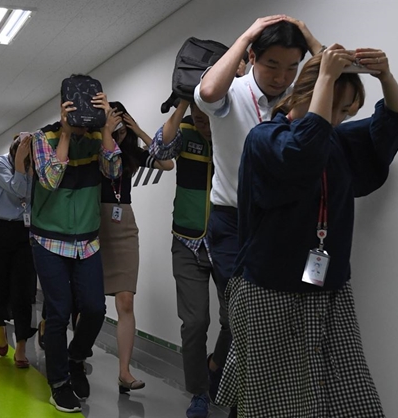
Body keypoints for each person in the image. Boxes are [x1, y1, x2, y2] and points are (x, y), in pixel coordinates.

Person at [216, 45, 398, 418]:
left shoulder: (335, 139)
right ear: (308, 92)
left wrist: (385, 77)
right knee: (267, 401)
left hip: (328, 291)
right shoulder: (265, 140)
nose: (340, 119)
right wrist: (324, 76)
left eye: (347, 111)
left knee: (344, 396)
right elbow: (301, 154)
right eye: (338, 108)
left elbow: (391, 125)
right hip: (268, 292)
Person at [193, 16, 322, 405]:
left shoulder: (299, 97)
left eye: (291, 67)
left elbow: (338, 76)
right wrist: (248, 33)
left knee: (271, 315)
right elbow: (207, 91)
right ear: (252, 57)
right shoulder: (231, 94)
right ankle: (220, 379)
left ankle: (234, 386)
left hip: (282, 223)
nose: (282, 77)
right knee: (242, 312)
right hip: (232, 221)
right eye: (272, 65)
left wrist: (309, 38)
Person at [30, 78, 121, 413]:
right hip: (49, 240)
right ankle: (59, 383)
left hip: (87, 241)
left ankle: (76, 357)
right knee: (58, 311)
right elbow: (51, 179)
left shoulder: (99, 138)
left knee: (95, 308)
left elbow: (114, 172)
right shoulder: (44, 137)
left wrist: (108, 130)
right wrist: (67, 135)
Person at [149, 99, 222, 418]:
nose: (203, 124)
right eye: (198, 117)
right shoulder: (185, 129)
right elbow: (159, 151)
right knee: (194, 323)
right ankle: (200, 392)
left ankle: (216, 365)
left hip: (228, 241)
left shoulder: (236, 130)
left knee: (238, 320)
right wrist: (181, 110)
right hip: (187, 241)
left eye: (209, 118)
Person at [100, 101, 173, 394]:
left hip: (123, 223)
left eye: (119, 117)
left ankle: (124, 372)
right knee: (86, 300)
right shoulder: (94, 145)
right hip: (92, 221)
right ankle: (75, 358)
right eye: (110, 117)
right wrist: (104, 131)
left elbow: (167, 164)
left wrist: (140, 131)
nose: (115, 121)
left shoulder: (131, 150)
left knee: (125, 300)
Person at [0, 136, 36, 367]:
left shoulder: (37, 163)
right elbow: (19, 190)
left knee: (24, 290)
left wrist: (29, 165)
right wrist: (21, 166)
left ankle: (22, 345)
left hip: (24, 231)